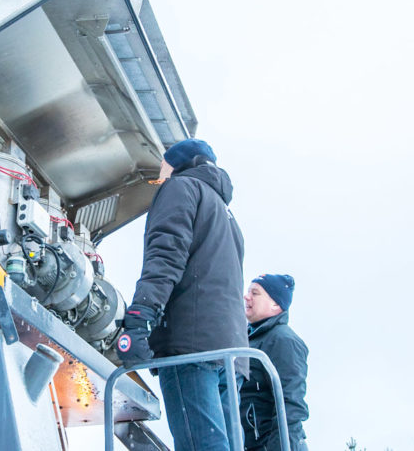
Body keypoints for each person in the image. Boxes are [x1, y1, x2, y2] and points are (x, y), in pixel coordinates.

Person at [115, 139, 248, 451]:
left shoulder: (181, 188)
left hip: (191, 346)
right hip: (232, 353)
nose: (160, 173)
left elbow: (166, 255)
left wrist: (140, 318)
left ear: (178, 163)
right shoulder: (228, 216)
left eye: (164, 165)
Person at [240, 274, 309, 451]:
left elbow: (290, 404)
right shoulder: (245, 340)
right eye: (248, 291)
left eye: (255, 293)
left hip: (269, 446)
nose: (246, 296)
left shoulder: (283, 340)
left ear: (275, 304)